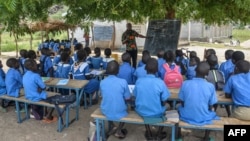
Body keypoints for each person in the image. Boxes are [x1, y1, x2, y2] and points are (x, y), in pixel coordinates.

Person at [177, 61, 219, 141]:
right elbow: (211, 106)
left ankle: (179, 135)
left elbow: (182, 102)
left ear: (195, 70)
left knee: (177, 107)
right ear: (207, 74)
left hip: (186, 115)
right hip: (204, 117)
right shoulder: (210, 86)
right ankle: (206, 137)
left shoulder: (185, 83)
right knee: (213, 111)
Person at [134, 58, 171, 140]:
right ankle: (159, 133)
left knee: (145, 105)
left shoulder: (139, 81)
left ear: (145, 68)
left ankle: (149, 132)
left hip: (141, 111)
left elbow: (135, 96)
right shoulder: (160, 82)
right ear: (157, 70)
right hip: (156, 112)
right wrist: (161, 104)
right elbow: (165, 100)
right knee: (168, 106)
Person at [100, 60, 130, 139]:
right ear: (118, 71)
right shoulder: (123, 82)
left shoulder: (102, 82)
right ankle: (119, 130)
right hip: (120, 111)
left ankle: (113, 125)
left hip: (105, 109)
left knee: (109, 102)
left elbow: (104, 96)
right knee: (127, 107)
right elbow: (127, 98)